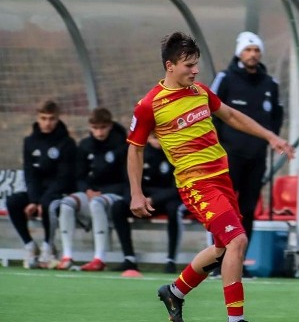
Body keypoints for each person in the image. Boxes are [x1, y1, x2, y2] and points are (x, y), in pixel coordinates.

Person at [128, 31, 293, 322]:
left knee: (221, 249)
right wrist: (136, 192)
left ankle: (174, 291)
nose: (195, 70)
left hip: (222, 179)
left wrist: (270, 136)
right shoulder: (149, 105)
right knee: (238, 241)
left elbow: (230, 115)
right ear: (169, 65)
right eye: (189, 65)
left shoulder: (200, 91)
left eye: (196, 64)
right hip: (196, 184)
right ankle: (235, 321)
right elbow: (134, 148)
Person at [210, 31, 284, 248]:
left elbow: (276, 117)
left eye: (256, 50)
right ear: (239, 53)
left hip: (257, 157)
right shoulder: (225, 78)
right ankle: (216, 258)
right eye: (248, 50)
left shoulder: (270, 84)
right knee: (224, 208)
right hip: (229, 155)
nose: (252, 54)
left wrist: (267, 140)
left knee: (248, 208)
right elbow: (211, 112)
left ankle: (240, 260)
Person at [54, 107, 128, 271]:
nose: (99, 132)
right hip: (92, 193)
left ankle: (99, 258)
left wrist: (102, 192)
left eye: (103, 127)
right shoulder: (85, 146)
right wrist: (86, 190)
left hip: (114, 195)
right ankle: (67, 256)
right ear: (90, 127)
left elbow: (127, 179)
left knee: (96, 203)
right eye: (95, 128)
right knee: (66, 203)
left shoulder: (122, 146)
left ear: (109, 126)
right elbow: (79, 176)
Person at [6, 100, 76, 269]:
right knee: (13, 201)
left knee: (48, 204)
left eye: (51, 118)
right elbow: (30, 174)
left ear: (58, 118)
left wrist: (40, 201)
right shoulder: (29, 141)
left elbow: (64, 178)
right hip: (38, 193)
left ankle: (48, 247)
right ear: (37, 118)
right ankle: (30, 246)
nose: (47, 123)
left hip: (59, 192)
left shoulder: (67, 143)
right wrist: (33, 200)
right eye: (43, 118)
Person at [111, 134, 184, 273]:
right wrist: (137, 197)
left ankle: (171, 260)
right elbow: (130, 180)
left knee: (174, 209)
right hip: (144, 199)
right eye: (153, 137)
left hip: (166, 200)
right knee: (118, 207)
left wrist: (154, 199)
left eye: (160, 137)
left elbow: (178, 188)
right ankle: (129, 258)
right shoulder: (139, 153)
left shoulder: (176, 152)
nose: (157, 141)